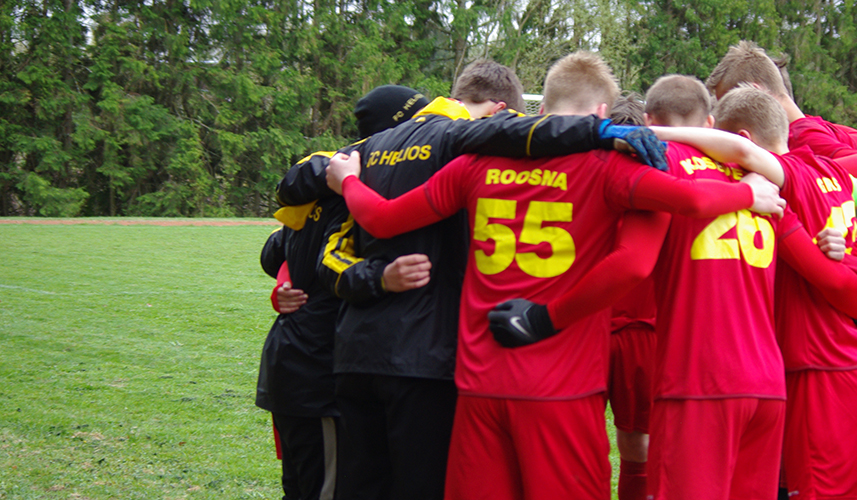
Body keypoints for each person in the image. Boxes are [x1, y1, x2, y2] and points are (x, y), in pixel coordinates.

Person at [324, 51, 789, 500]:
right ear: (602, 114)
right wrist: (747, 194)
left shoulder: (474, 165)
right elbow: (666, 227)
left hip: (481, 385)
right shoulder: (609, 167)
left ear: (541, 110)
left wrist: (348, 180)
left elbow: (382, 219)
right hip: (564, 387)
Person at [292, 59, 670, 500]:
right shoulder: (594, 164)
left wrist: (351, 189)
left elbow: (342, 220)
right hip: (522, 371)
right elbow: (638, 257)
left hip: (418, 362)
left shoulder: (392, 153)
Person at [256, 85, 430, 500]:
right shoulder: (350, 193)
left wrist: (285, 277)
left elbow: (274, 251)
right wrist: (383, 277)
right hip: (316, 374)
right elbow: (316, 261)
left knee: (303, 488)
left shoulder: (325, 187)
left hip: (293, 366)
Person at [713, 85, 857, 500]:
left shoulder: (790, 179)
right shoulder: (830, 172)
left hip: (819, 370)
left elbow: (749, 156)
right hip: (846, 362)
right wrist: (841, 257)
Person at [706, 41, 857, 186]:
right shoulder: (808, 125)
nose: (724, 112)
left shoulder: (801, 135)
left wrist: (796, 174)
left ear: (757, 92)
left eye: (728, 102)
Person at [605, 90, 656, 500]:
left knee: (638, 443)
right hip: (592, 328)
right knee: (631, 444)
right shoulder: (585, 179)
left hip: (637, 328)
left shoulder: (657, 187)